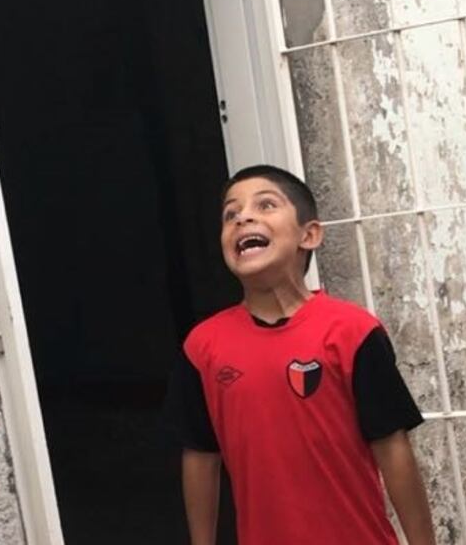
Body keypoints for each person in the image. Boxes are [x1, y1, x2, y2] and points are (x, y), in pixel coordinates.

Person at [164, 165, 435, 544]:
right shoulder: (203, 347)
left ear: (309, 235)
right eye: (230, 214)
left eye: (265, 205)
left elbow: (392, 448)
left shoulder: (352, 331)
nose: (243, 217)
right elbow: (200, 456)